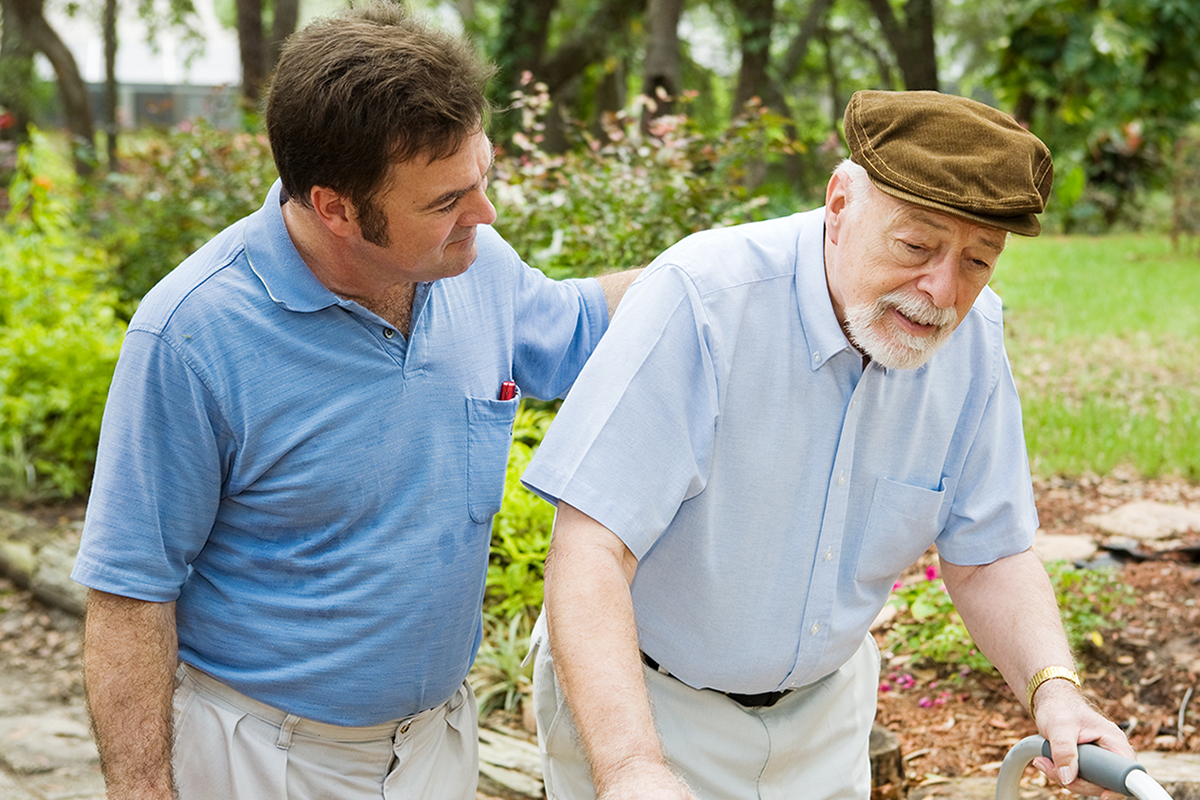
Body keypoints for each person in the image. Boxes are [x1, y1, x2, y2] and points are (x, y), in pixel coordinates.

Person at [71, 5, 639, 799]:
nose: (485, 214)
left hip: (438, 743)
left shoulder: (475, 262)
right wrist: (143, 791)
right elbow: (130, 593)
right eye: (446, 201)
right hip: (265, 759)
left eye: (482, 178)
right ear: (335, 207)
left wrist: (737, 274)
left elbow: (581, 328)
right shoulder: (193, 335)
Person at [520, 89, 1135, 800]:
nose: (940, 291)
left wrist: (1054, 689)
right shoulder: (703, 300)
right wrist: (631, 771)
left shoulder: (974, 338)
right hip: (649, 707)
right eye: (917, 245)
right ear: (840, 205)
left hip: (826, 718)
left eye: (978, 261)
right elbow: (589, 550)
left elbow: (989, 552)